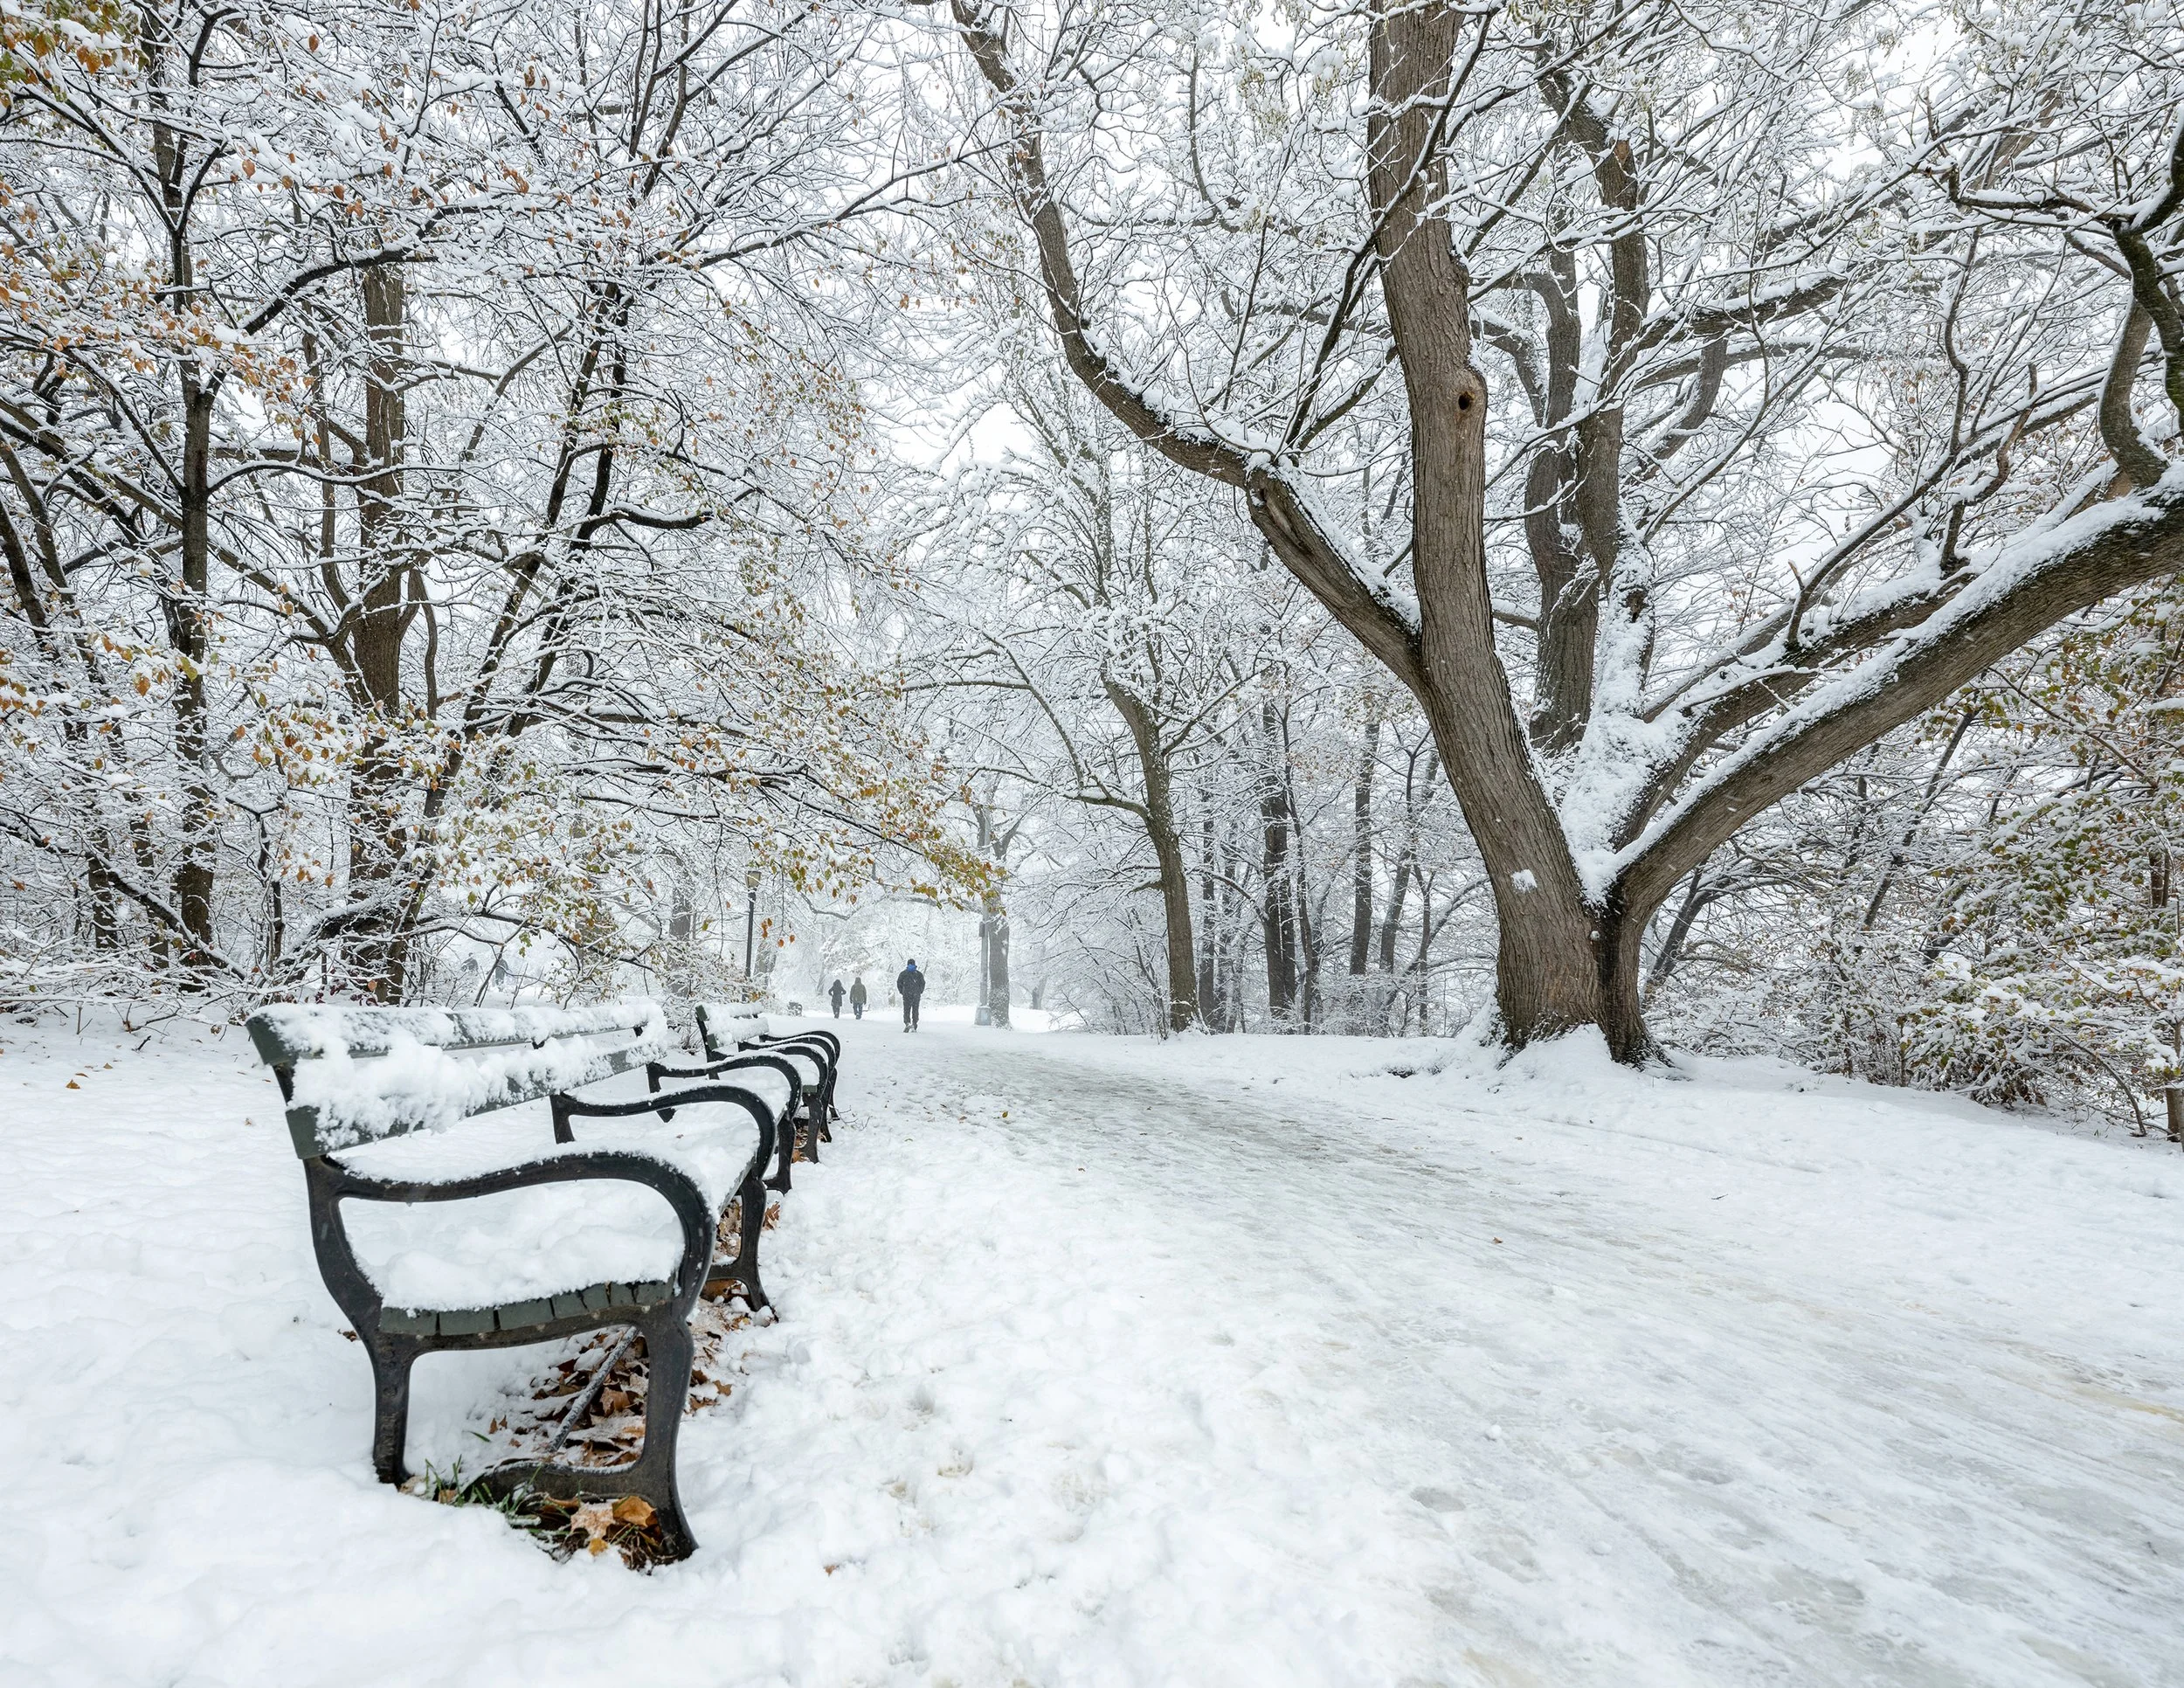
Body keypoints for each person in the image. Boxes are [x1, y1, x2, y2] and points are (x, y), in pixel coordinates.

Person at [896, 958, 926, 1031]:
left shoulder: (903, 973)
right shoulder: (919, 974)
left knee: (907, 1009)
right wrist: (920, 991)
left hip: (906, 994)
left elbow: (899, 983)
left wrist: (902, 991)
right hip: (916, 994)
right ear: (914, 964)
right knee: (915, 1009)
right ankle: (914, 1023)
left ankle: (907, 1022)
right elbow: (923, 983)